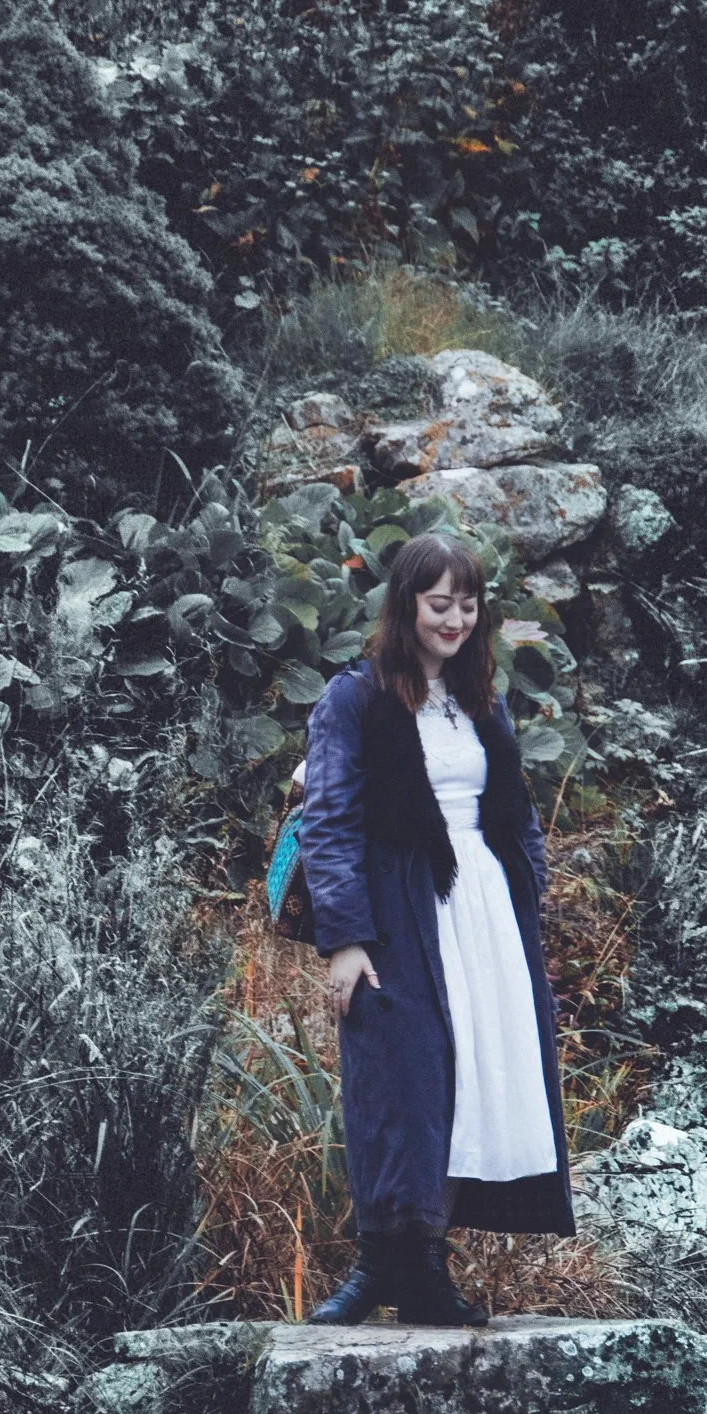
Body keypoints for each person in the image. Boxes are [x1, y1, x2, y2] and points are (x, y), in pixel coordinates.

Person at [299, 530, 575, 1325]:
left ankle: (419, 1270)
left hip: (481, 905)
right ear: (405, 605)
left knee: (469, 1084)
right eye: (437, 603)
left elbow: (515, 810)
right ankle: (386, 1265)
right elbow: (328, 822)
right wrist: (346, 939)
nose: (454, 619)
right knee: (399, 1083)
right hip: (396, 906)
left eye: (467, 603)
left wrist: (529, 901)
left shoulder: (480, 696)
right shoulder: (353, 699)